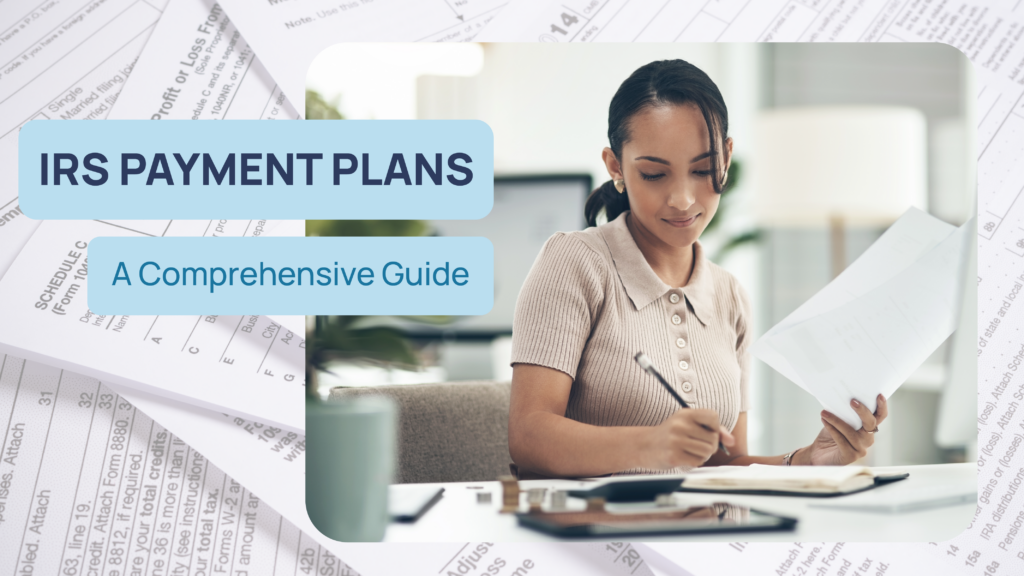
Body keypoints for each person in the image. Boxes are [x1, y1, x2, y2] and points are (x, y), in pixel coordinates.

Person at [507, 59, 887, 478]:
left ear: (726, 156)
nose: (683, 200)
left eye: (703, 170)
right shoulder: (575, 263)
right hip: (596, 532)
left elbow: (724, 464)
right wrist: (651, 444)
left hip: (700, 530)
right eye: (654, 174)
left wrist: (805, 461)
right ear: (615, 166)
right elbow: (528, 437)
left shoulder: (729, 295)